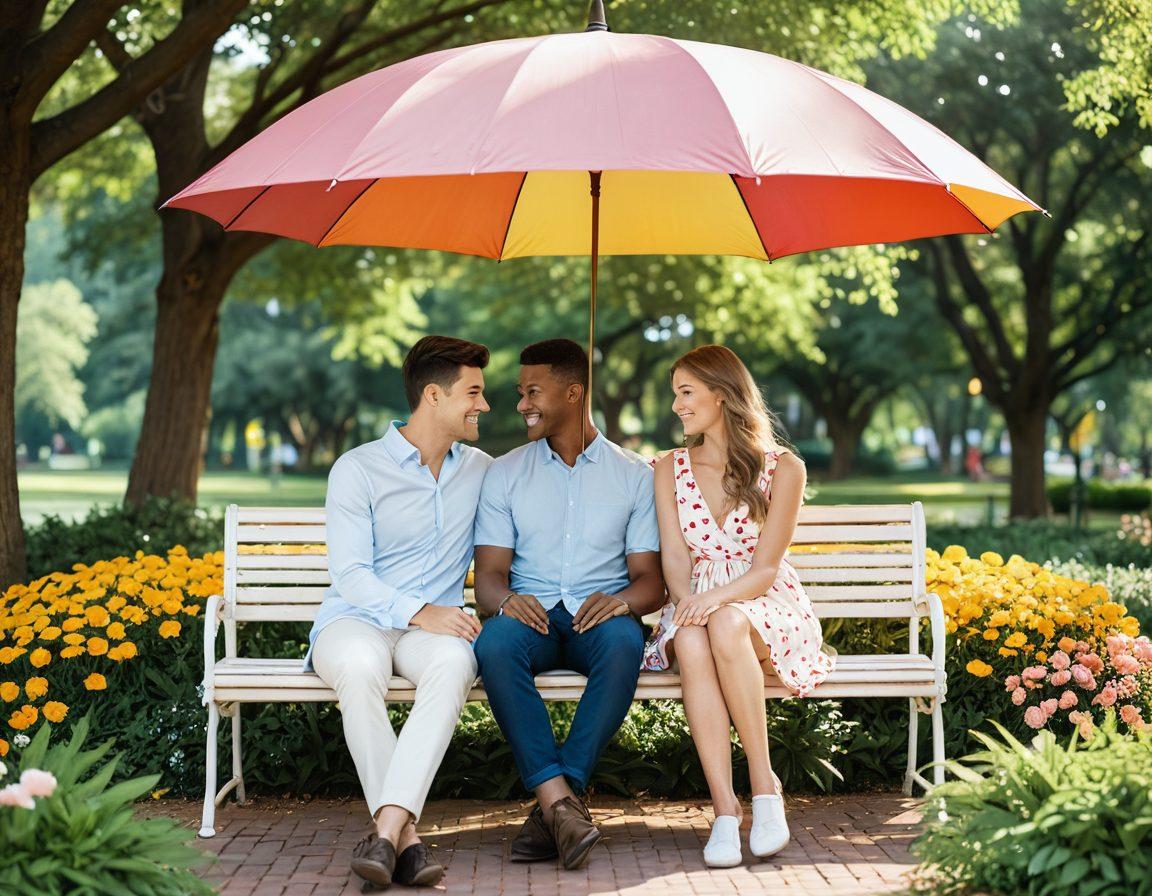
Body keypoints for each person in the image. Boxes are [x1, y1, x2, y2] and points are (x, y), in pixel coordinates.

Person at [305, 335, 492, 890]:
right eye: (474, 393)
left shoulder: (481, 470)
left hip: (427, 635)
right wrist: (420, 610)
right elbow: (351, 575)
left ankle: (385, 834)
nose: (484, 405)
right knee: (360, 671)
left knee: (456, 664)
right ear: (433, 396)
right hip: (353, 620)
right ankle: (406, 841)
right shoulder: (357, 469)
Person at [472, 339, 665, 871]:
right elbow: (488, 578)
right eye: (520, 392)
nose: (521, 404)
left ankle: (554, 805)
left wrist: (621, 602)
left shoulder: (634, 477)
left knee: (626, 644)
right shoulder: (505, 472)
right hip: (529, 614)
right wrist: (508, 601)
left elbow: (652, 583)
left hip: (596, 617)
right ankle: (564, 805)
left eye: (533, 391)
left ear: (574, 392)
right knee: (494, 645)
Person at [641, 344, 835, 868]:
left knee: (725, 624)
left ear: (722, 396)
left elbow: (766, 570)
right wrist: (687, 605)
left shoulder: (784, 468)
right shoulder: (669, 468)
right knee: (691, 637)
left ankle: (764, 787)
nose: (677, 405)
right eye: (675, 394)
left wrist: (711, 601)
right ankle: (725, 810)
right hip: (695, 601)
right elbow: (675, 556)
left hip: (763, 601)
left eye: (686, 393)